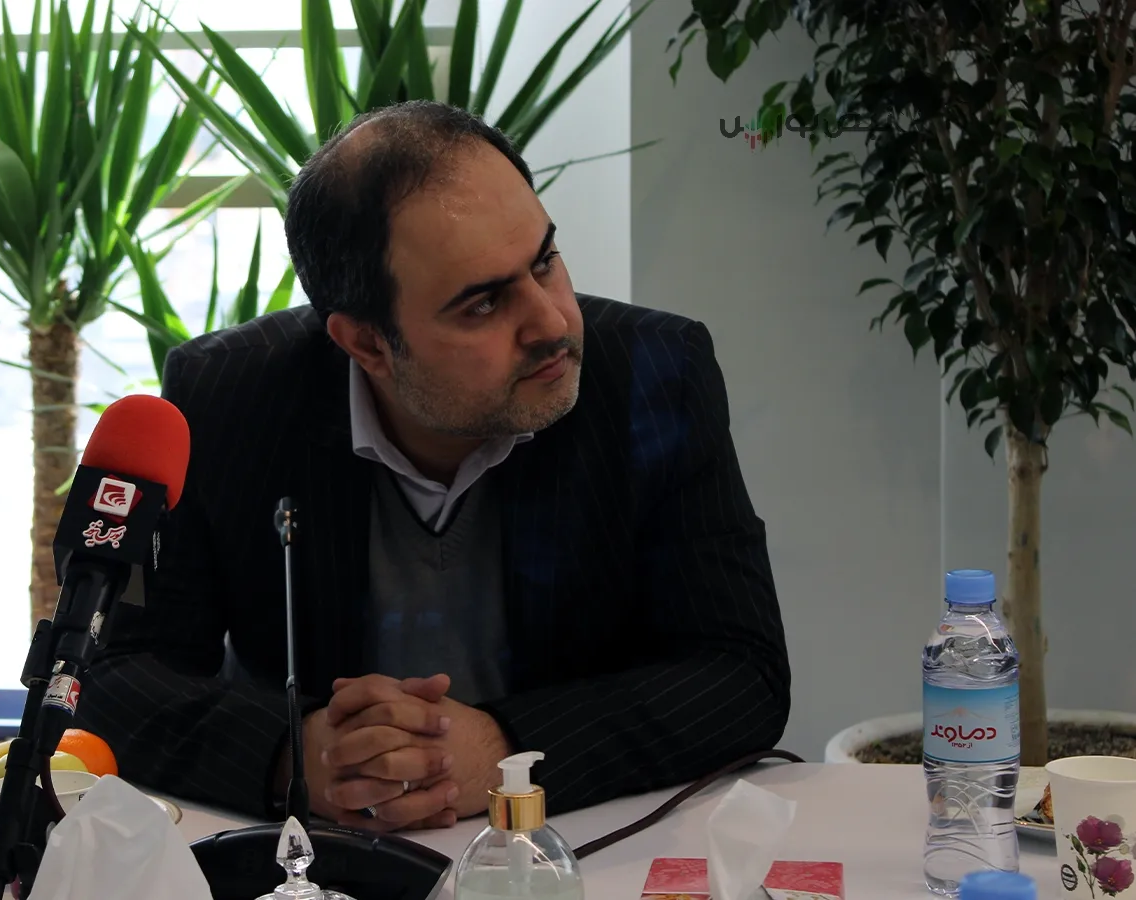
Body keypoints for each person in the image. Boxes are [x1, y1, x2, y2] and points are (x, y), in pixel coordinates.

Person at [75, 100, 790, 832]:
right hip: (314, 857)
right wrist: (293, 755)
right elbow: (108, 672)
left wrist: (507, 751)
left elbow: (742, 674)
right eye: (483, 304)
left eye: (545, 261)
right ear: (367, 344)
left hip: (574, 844)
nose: (551, 322)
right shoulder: (225, 396)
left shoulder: (655, 374)